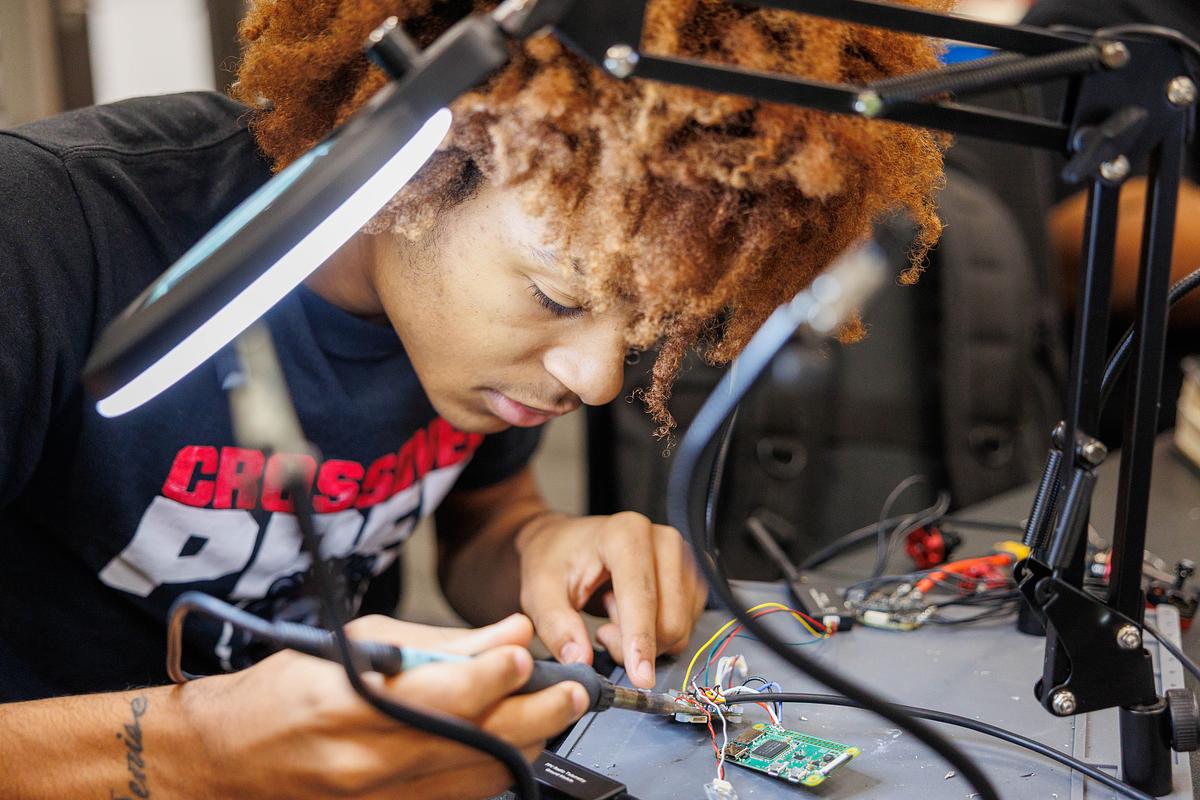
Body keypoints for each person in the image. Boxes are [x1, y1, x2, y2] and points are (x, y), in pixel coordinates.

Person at [0, 1, 948, 797]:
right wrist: (191, 749)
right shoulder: (44, 234)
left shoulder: (473, 348)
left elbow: (482, 523)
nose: (598, 378)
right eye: (557, 297)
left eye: (649, 324)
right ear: (419, 158)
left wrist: (539, 548)